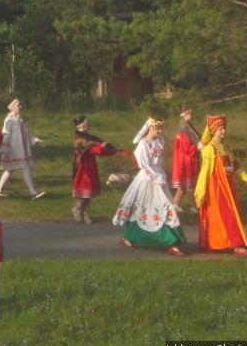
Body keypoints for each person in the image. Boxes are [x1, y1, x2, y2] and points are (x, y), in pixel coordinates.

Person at [112, 118, 187, 255]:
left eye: (160, 129)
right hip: (148, 179)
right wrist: (155, 176)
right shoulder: (143, 144)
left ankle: (171, 242)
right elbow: (144, 165)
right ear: (149, 128)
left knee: (166, 206)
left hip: (159, 176)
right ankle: (131, 237)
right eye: (156, 129)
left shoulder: (159, 140)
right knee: (143, 208)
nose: (159, 131)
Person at [194, 114, 247, 256]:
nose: (224, 131)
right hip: (216, 188)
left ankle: (216, 243)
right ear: (213, 130)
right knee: (226, 215)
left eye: (224, 128)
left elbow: (237, 167)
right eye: (220, 129)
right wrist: (201, 191)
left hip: (228, 188)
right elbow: (205, 172)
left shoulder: (226, 148)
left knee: (226, 215)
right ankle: (236, 245)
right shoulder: (209, 149)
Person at [0, 99, 46, 199]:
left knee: (10, 169)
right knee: (24, 168)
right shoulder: (9, 120)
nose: (20, 107)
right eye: (18, 105)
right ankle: (33, 192)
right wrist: (5, 148)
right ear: (13, 107)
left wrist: (34, 140)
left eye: (20, 105)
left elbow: (26, 133)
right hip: (14, 149)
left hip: (21, 149)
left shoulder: (20, 120)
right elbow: (6, 134)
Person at [70, 116, 117, 224]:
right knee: (84, 190)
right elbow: (92, 148)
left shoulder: (89, 137)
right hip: (83, 167)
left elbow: (96, 146)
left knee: (89, 191)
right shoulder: (80, 139)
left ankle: (85, 213)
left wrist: (110, 149)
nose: (88, 125)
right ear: (81, 126)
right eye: (86, 123)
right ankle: (77, 209)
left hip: (89, 165)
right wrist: (101, 147)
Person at [170, 106, 201, 212]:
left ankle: (175, 203)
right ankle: (194, 206)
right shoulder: (184, 128)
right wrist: (198, 147)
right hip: (186, 159)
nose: (191, 116)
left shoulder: (188, 126)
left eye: (192, 114)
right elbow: (186, 146)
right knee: (189, 185)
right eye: (189, 114)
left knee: (185, 185)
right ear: (185, 115)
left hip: (187, 158)